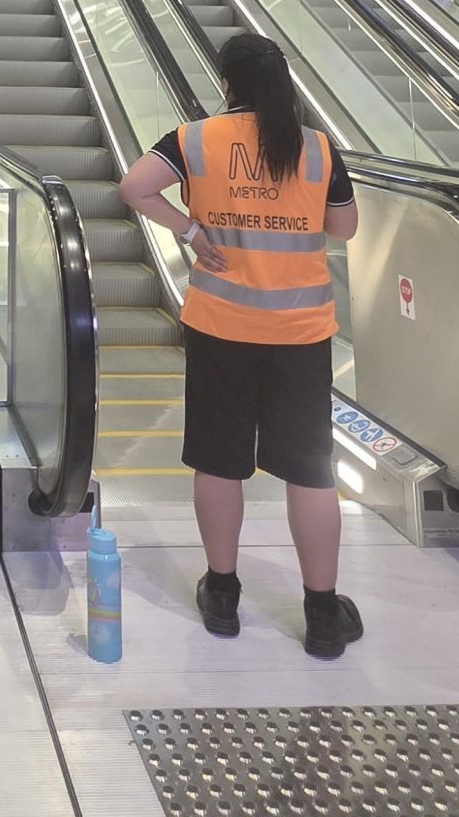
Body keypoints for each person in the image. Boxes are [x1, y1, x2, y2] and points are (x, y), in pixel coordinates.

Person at [119, 33, 362, 657]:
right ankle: (322, 612)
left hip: (221, 324)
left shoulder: (195, 139)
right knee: (310, 472)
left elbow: (135, 186)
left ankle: (223, 594)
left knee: (219, 459)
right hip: (301, 331)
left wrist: (192, 229)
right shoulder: (316, 148)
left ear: (226, 83)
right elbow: (345, 226)